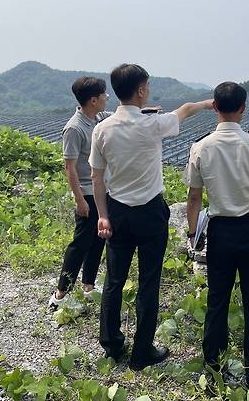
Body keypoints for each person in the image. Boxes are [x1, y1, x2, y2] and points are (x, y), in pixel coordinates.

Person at [89, 64, 213, 370]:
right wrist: (208, 104)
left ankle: (112, 344)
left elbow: (96, 177)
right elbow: (183, 111)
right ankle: (142, 352)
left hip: (117, 212)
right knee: (148, 282)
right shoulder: (153, 125)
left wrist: (102, 216)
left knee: (115, 280)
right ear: (142, 90)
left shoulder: (102, 129)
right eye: (148, 86)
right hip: (149, 212)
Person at [184, 82, 249, 386]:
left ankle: (213, 367)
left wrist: (191, 231)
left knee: (217, 300)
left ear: (215, 107)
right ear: (243, 108)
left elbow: (194, 197)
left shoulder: (201, 146)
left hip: (220, 230)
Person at [49, 76, 110, 309]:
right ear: (93, 100)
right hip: (86, 192)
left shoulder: (98, 118)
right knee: (80, 244)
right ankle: (60, 294)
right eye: (104, 95)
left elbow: (120, 116)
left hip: (100, 191)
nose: (107, 98)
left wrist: (144, 111)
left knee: (98, 240)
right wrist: (79, 200)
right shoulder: (74, 128)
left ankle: (88, 286)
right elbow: (69, 167)